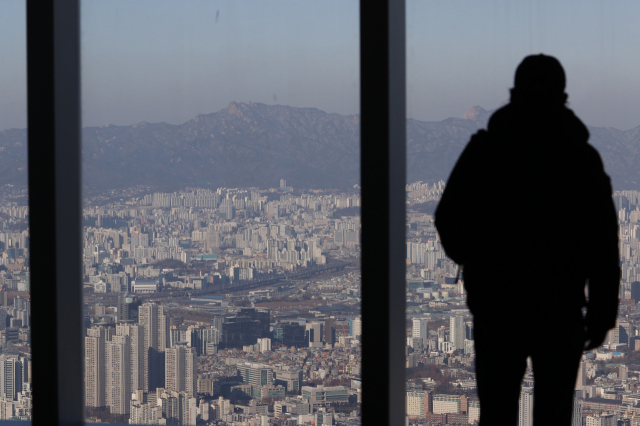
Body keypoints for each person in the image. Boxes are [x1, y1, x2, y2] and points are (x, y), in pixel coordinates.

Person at [434, 54, 619, 425]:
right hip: (560, 306)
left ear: (513, 93)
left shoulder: (486, 151)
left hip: (496, 305)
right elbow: (603, 244)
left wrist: (475, 261)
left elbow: (448, 218)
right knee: (554, 413)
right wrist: (601, 314)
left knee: (498, 410)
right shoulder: (581, 158)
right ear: (562, 97)